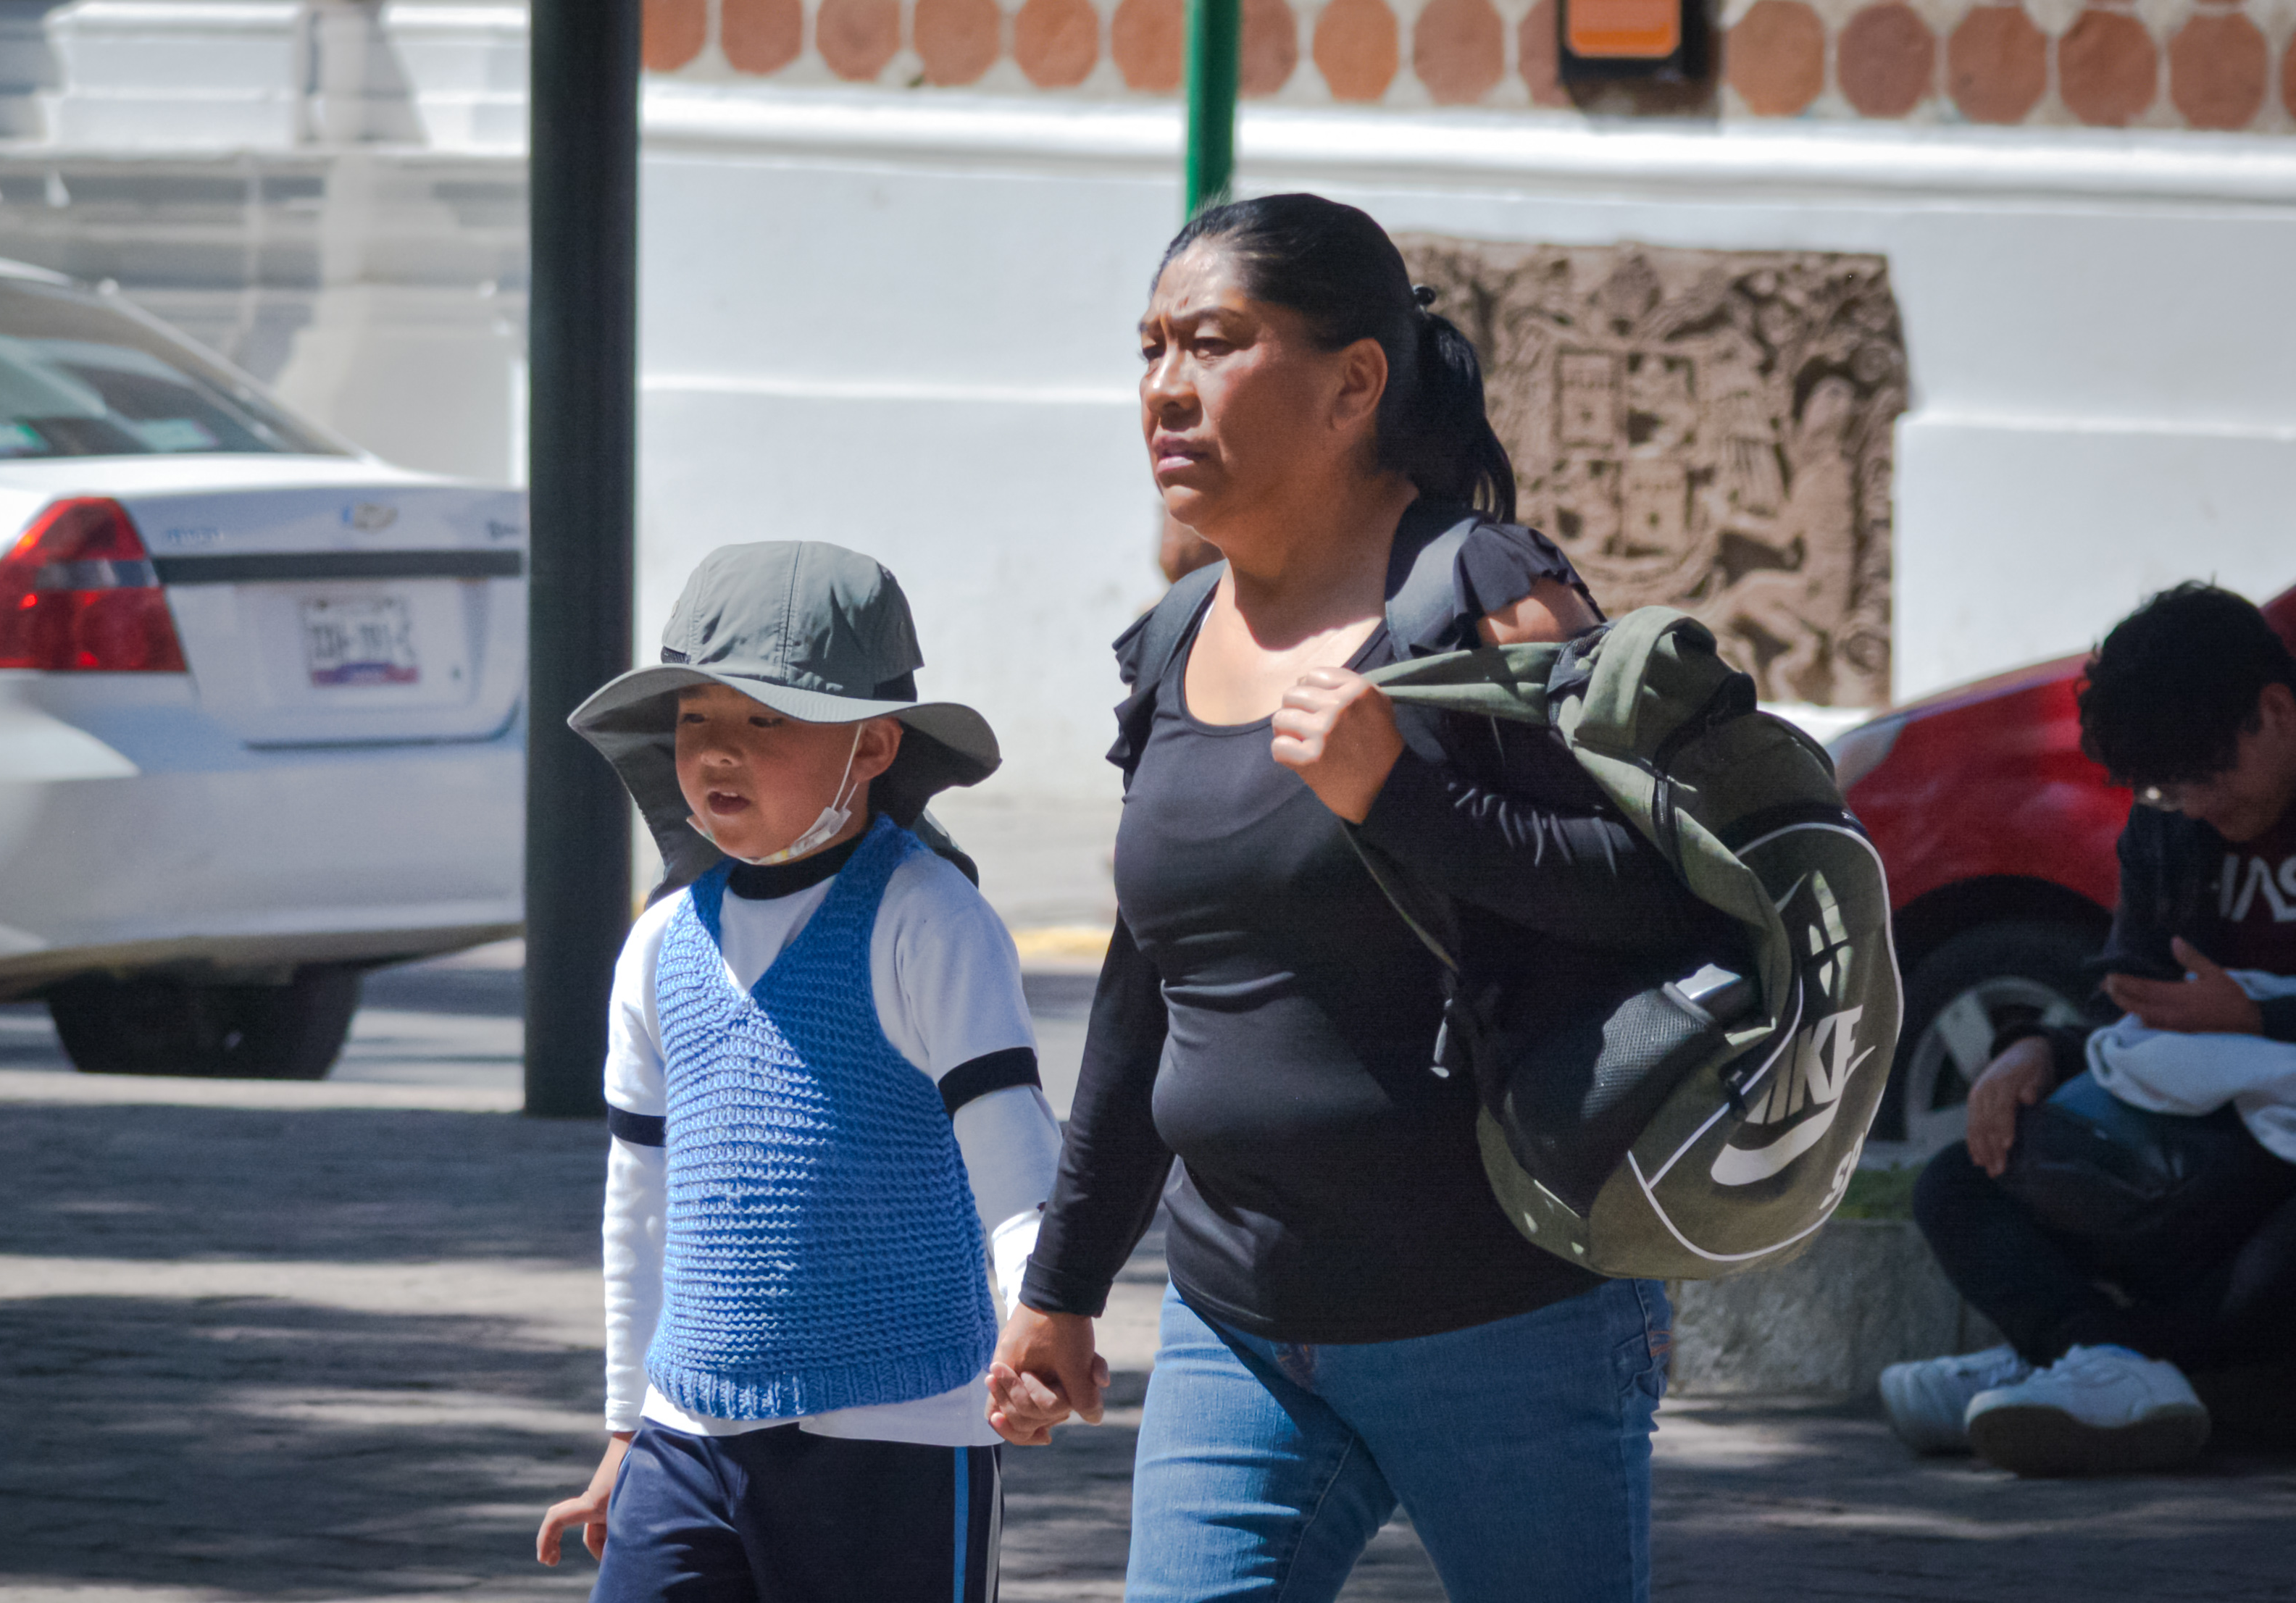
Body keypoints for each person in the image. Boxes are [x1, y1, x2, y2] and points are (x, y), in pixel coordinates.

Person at [982, 193, 1732, 1602]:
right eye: (1148, 349)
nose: (1163, 387)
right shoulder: (1170, 642)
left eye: (1213, 343)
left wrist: (1401, 792)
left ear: (1354, 382)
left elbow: (1659, 898)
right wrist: (1064, 1283)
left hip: (1504, 1313)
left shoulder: (1484, 594)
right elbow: (1152, 987)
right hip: (1241, 1324)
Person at [535, 542, 1062, 1601]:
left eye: (763, 721)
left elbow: (1010, 1144)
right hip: (686, 1440)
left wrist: (1041, 1316)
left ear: (870, 746)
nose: (718, 753)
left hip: (897, 1435)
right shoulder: (660, 941)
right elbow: (638, 1198)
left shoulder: (928, 919)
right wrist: (624, 1429)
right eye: (695, 721)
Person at [1882, 582, 2296, 1473]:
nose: (2191, 805)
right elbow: (2131, 995)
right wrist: (2033, 1048)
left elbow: (2212, 1012)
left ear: (2274, 712)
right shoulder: (2167, 824)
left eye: (2204, 776)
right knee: (1958, 1179)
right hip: (2192, 1150)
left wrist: (2259, 1014)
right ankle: (2099, 1359)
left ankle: (2084, 1356)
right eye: (2166, 787)